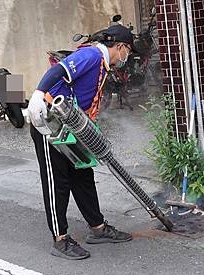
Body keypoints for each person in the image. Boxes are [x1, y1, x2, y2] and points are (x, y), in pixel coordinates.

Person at [28, 25, 135, 260]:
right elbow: (59, 72)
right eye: (128, 51)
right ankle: (60, 240)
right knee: (58, 181)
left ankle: (97, 228)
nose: (127, 57)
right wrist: (37, 95)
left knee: (83, 175)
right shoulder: (92, 55)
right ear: (120, 47)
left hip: (72, 124)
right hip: (49, 122)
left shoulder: (103, 64)